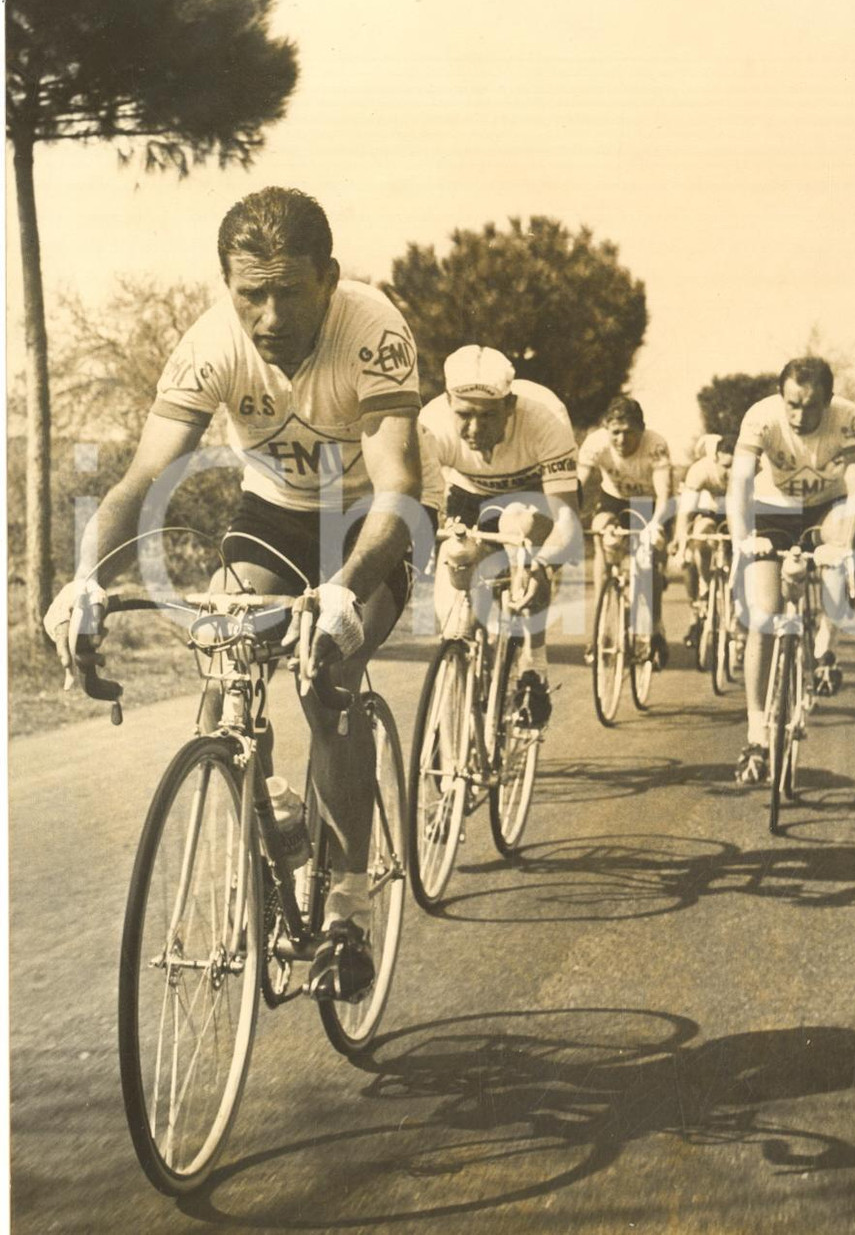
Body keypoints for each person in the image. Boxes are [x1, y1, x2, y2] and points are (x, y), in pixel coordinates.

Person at [43, 186, 423, 1000]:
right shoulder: (212, 343)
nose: (270, 315)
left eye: (290, 290)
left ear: (330, 276)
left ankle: (349, 910)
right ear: (227, 286)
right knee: (222, 679)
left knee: (328, 681)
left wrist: (348, 590)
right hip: (275, 518)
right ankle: (276, 802)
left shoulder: (375, 331)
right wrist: (84, 580)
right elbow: (142, 478)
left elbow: (401, 487)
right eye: (250, 292)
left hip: (367, 524)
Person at [418, 344, 579, 727]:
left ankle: (534, 664)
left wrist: (542, 565)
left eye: (488, 416)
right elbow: (417, 504)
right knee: (455, 600)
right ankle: (465, 701)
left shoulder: (546, 418)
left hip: (532, 495)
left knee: (522, 532)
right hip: (467, 493)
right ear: (447, 401)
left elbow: (568, 524)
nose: (474, 430)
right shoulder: (431, 423)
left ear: (510, 407)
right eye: (464, 415)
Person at [727, 356, 855, 785]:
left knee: (838, 551)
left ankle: (826, 645)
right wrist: (741, 540)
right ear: (779, 395)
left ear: (828, 400)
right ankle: (756, 734)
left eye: (811, 406)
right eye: (792, 404)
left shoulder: (850, 419)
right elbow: (739, 483)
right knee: (764, 616)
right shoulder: (761, 418)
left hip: (826, 508)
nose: (800, 415)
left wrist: (847, 549)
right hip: (772, 510)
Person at [577, 396, 673, 669]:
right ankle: (599, 630)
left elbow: (665, 496)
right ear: (606, 429)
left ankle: (653, 627)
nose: (620, 439)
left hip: (649, 503)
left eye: (628, 432)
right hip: (614, 499)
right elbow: (578, 486)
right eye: (615, 432)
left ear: (641, 430)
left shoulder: (655, 445)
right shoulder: (596, 443)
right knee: (602, 536)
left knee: (647, 558)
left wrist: (656, 525)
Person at [673, 433, 742, 652]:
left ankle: (739, 614)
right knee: (700, 534)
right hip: (710, 511)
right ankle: (705, 585)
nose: (730, 473)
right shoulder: (701, 470)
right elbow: (685, 513)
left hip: (740, 512)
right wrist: (681, 543)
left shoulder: (752, 469)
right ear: (716, 458)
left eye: (736, 467)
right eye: (726, 466)